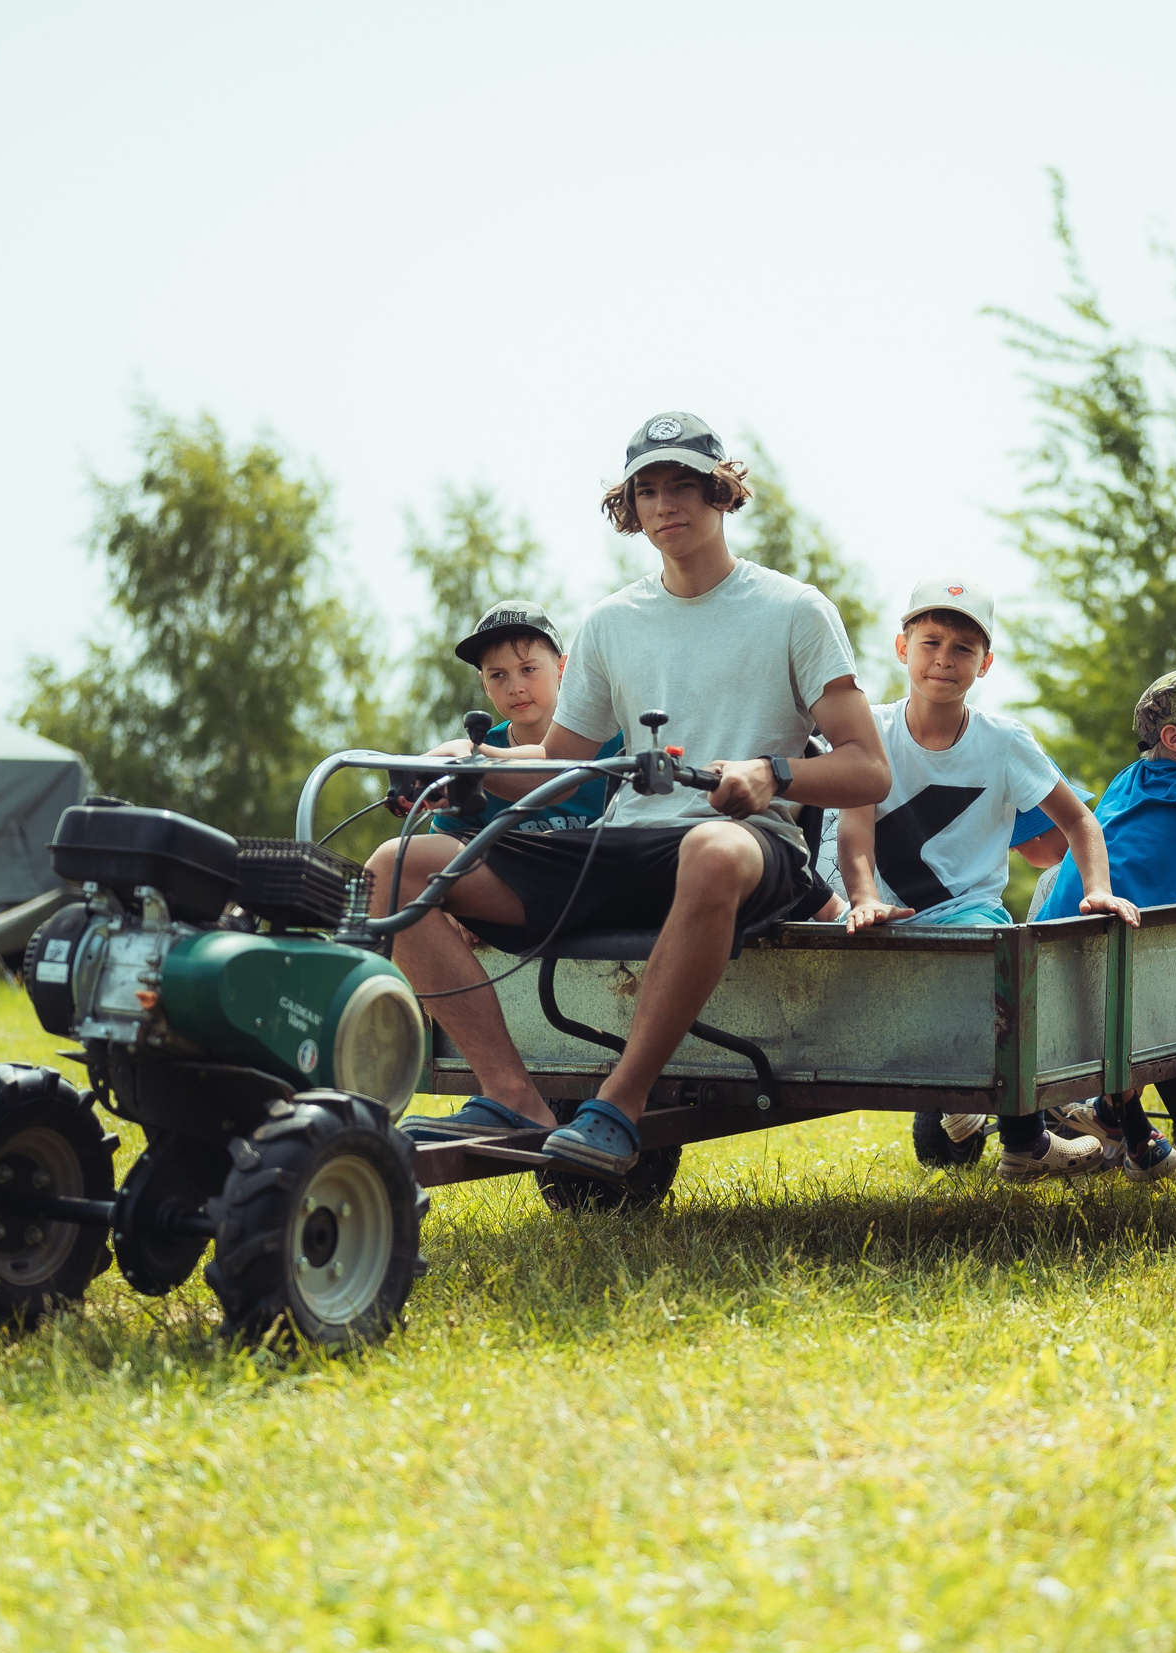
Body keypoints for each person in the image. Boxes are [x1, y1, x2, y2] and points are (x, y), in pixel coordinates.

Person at [366, 412, 891, 1175]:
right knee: (396, 862)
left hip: (751, 847)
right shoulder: (613, 621)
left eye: (684, 485)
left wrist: (773, 774)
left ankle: (618, 1106)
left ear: (722, 493)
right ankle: (513, 1095)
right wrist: (466, 766)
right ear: (631, 508)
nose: (666, 504)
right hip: (626, 842)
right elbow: (558, 767)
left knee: (710, 846)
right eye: (648, 490)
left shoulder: (795, 610)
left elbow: (868, 768)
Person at [834, 576, 1152, 1181]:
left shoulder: (1003, 742)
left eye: (962, 649)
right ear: (902, 649)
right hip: (887, 915)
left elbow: (1080, 820)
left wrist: (1098, 888)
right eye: (930, 643)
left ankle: (1023, 1139)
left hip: (967, 917)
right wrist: (865, 897)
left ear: (985, 665)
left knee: (1007, 970)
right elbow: (854, 830)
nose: (943, 661)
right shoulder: (869, 732)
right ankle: (1000, 1122)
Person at [1030, 664, 1176, 1158]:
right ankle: (1112, 1115)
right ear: (1174, 738)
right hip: (1134, 942)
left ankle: (1120, 1123)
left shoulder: (1125, 779)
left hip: (1060, 932)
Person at [402, 603, 626, 837]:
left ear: (562, 669)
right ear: (485, 685)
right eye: (498, 675)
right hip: (508, 873)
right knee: (391, 858)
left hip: (605, 868)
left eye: (528, 669)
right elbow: (445, 847)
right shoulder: (477, 755)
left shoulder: (617, 739)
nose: (515, 688)